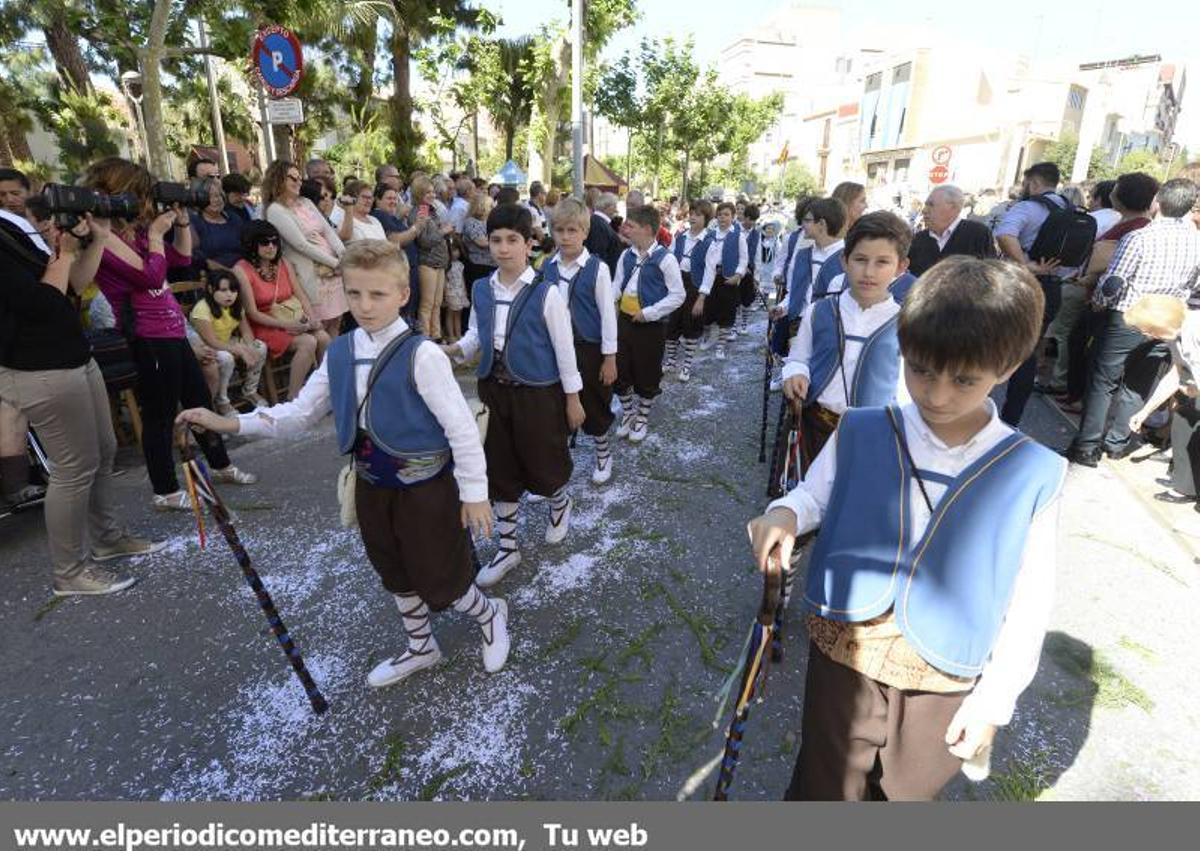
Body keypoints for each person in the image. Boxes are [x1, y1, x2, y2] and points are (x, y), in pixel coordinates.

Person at [748, 256, 1065, 801]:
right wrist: (785, 513)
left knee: (901, 798)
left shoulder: (1033, 471)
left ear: (1009, 366)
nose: (937, 394)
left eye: (964, 379)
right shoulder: (864, 427)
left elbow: (1030, 601)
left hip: (943, 676)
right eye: (920, 369)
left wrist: (993, 703)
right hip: (845, 649)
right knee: (824, 785)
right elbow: (813, 494)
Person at [177, 240, 509, 688]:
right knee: (392, 569)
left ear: (402, 294)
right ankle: (421, 647)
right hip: (372, 483)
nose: (365, 306)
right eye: (354, 294)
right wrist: (227, 422)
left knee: (440, 576)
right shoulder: (340, 351)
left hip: (425, 488)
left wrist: (474, 495)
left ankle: (490, 615)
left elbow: (461, 430)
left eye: (377, 295)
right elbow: (298, 413)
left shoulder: (423, 354)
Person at [82, 157, 256, 511]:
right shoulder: (104, 235)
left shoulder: (138, 229)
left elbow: (178, 261)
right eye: (140, 195)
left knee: (199, 401)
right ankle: (164, 488)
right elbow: (148, 276)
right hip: (145, 334)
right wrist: (157, 236)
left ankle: (220, 464)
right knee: (159, 414)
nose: (145, 203)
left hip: (172, 327)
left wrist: (178, 226)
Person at [443, 204, 586, 587]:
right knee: (499, 468)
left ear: (529, 244)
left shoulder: (547, 293)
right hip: (494, 390)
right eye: (495, 240)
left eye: (512, 240)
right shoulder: (481, 289)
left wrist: (573, 399)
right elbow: (477, 335)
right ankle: (508, 547)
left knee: (544, 460)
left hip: (538, 393)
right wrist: (454, 350)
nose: (503, 248)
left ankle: (560, 502)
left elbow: (565, 350)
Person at [1067, 178, 1200, 465]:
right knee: (1139, 382)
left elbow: (1114, 281)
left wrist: (1100, 303)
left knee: (1104, 381)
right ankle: (1117, 442)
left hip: (1129, 316)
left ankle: (1088, 446)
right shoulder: (1197, 241)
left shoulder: (1140, 237)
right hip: (1168, 320)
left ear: (1157, 202)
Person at [781, 212, 912, 468]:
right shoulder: (819, 311)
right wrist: (796, 373)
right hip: (815, 426)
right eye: (860, 260)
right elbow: (798, 357)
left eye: (882, 262)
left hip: (873, 435)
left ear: (900, 267)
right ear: (844, 260)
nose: (868, 272)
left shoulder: (908, 325)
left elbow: (907, 391)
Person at [1049, 173, 1160, 401]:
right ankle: (1075, 394)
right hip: (1098, 293)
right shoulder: (1129, 223)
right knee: (1082, 345)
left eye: (1116, 188)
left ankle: (1077, 396)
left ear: (1123, 195)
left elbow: (1115, 271)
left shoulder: (1136, 229)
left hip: (1108, 300)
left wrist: (1096, 293)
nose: (1112, 193)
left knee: (1091, 352)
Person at [993, 161, 1084, 426]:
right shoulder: (1073, 212)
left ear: (1032, 183)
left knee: (991, 346)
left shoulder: (1028, 207)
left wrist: (1025, 264)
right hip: (1052, 289)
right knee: (1028, 353)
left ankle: (975, 411)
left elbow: (1005, 233)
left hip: (1019, 285)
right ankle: (1011, 421)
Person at [541, 198, 619, 483]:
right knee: (556, 405)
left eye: (572, 230)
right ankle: (557, 465)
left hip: (588, 348)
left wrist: (610, 357)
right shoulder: (547, 267)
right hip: (555, 350)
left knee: (594, 402)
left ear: (585, 232)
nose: (565, 236)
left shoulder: (597, 269)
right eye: (559, 230)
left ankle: (602, 452)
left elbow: (608, 316)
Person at [613, 205, 686, 442]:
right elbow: (617, 285)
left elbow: (678, 295)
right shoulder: (626, 255)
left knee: (647, 373)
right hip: (624, 322)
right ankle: (628, 412)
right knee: (619, 370)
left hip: (651, 326)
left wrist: (650, 313)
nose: (625, 229)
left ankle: (642, 416)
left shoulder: (666, 259)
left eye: (630, 226)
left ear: (646, 229)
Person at [233, 221, 329, 400]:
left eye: (274, 241)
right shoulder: (241, 269)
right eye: (264, 242)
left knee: (323, 337)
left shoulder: (283, 263)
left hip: (292, 316)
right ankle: (294, 399)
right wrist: (288, 325)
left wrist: (311, 318)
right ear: (252, 243)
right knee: (308, 342)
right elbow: (252, 313)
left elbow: (300, 295)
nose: (271, 246)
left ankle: (321, 390)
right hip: (264, 323)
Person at [1122, 295, 1200, 507]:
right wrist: (1144, 412)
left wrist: (1195, 390)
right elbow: (1176, 374)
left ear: (1161, 322)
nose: (1146, 335)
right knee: (1183, 421)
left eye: (1147, 329)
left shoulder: (1195, 329)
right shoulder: (1175, 335)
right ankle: (1185, 485)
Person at [263, 160, 347, 338]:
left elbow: (327, 230)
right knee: (321, 325)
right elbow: (300, 245)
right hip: (310, 274)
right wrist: (335, 262)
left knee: (336, 321)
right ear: (278, 180)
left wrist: (343, 254)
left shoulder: (306, 202)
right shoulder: (275, 210)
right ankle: (326, 364)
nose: (298, 181)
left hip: (334, 269)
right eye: (292, 177)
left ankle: (337, 363)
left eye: (299, 177)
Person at [189, 269, 268, 414]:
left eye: (233, 290)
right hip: (206, 347)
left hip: (225, 341)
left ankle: (249, 390)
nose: (229, 295)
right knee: (226, 358)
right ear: (211, 289)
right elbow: (210, 341)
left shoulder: (236, 306)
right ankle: (222, 400)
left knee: (259, 347)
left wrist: (249, 347)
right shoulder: (202, 309)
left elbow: (246, 331)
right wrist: (238, 349)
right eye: (224, 290)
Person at [664, 200, 713, 383]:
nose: (692, 217)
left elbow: (709, 273)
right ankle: (670, 361)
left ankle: (687, 365)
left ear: (706, 219)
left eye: (698, 214)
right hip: (676, 284)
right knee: (672, 325)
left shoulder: (710, 242)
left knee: (691, 327)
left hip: (695, 287)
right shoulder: (681, 236)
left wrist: (701, 298)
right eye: (692, 213)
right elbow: (669, 258)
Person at [694, 202, 748, 360]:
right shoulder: (710, 235)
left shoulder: (738, 236)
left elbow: (744, 259)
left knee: (727, 313)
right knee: (708, 310)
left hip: (729, 278)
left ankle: (720, 346)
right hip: (710, 276)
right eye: (720, 214)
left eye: (726, 215)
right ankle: (707, 336)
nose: (723, 218)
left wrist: (738, 275)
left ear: (733, 217)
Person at [907, 185, 995, 276]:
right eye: (926, 205)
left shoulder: (978, 234)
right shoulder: (919, 239)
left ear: (953, 207)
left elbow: (991, 275)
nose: (924, 210)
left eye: (931, 205)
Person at [408, 176, 455, 341]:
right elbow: (424, 241)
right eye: (428, 192)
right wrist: (443, 231)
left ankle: (436, 336)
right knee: (427, 304)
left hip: (439, 262)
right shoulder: (420, 211)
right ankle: (425, 338)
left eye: (433, 191)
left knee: (437, 303)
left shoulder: (431, 210)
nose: (432, 195)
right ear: (419, 193)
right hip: (427, 262)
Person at [189, 177, 246, 275]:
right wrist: (230, 273)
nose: (217, 200)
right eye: (210, 196)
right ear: (200, 199)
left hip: (243, 271)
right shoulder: (195, 222)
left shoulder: (233, 218)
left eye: (219, 195)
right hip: (216, 276)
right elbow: (198, 258)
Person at [736, 204, 764, 335]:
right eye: (751, 219)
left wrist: (757, 277)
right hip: (735, 270)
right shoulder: (735, 230)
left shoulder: (756, 234)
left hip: (749, 270)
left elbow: (758, 256)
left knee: (747, 300)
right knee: (735, 300)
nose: (753, 223)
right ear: (745, 218)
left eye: (755, 220)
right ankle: (734, 326)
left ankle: (744, 324)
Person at [337, 179, 387, 244]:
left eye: (370, 198)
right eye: (364, 197)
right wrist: (348, 207)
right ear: (352, 198)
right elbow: (344, 237)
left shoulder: (374, 220)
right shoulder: (344, 218)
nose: (369, 201)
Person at [585, 192, 623, 275]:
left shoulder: (598, 222)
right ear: (608, 207)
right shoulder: (599, 225)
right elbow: (598, 254)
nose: (616, 210)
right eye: (615, 206)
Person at [442, 241, 469, 344]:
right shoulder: (446, 265)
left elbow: (462, 278)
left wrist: (465, 290)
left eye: (457, 250)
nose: (455, 253)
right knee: (450, 313)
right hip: (451, 291)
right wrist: (445, 292)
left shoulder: (460, 265)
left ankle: (458, 334)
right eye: (453, 250)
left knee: (458, 314)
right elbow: (444, 279)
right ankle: (450, 335)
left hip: (460, 291)